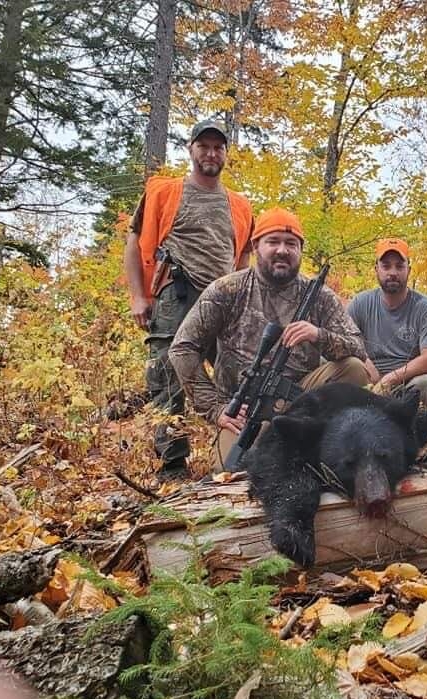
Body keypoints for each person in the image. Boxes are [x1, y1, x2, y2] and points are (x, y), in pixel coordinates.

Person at [168, 207, 370, 468]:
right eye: (273, 241)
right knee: (228, 470)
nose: (282, 250)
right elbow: (182, 348)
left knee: (353, 368)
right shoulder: (227, 289)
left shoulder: (319, 295)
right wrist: (216, 408)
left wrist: (318, 335)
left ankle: (316, 433)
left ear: (300, 250)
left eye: (291, 243)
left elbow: (358, 348)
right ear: (255, 246)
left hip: (301, 400)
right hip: (243, 410)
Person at [123, 118, 254, 481]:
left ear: (226, 153)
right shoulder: (163, 192)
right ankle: (173, 466)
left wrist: (243, 301)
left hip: (223, 301)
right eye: (204, 146)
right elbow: (134, 241)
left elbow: (242, 257)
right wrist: (138, 296)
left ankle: (235, 455)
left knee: (239, 375)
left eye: (218, 147)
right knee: (167, 373)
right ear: (191, 149)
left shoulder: (240, 205)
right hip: (176, 294)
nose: (211, 153)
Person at [347, 238, 427, 407]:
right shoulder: (360, 303)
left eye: (399, 266)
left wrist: (389, 380)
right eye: (386, 266)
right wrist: (369, 369)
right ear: (376, 269)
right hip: (367, 380)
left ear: (409, 269)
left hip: (407, 382)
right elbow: (344, 343)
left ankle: (421, 432)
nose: (392, 272)